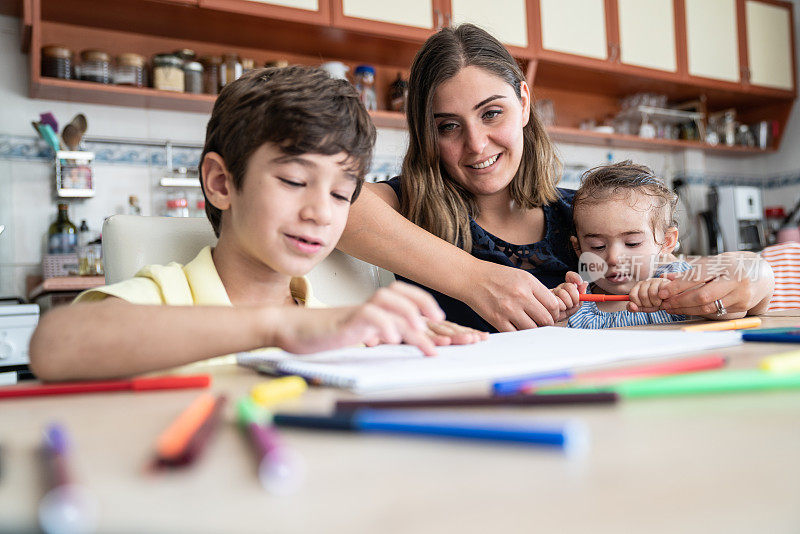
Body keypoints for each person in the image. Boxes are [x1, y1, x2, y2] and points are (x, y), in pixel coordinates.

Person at [29, 67, 486, 382]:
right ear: (222, 183)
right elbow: (53, 345)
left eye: (341, 193)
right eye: (292, 180)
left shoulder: (327, 321)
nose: (321, 213)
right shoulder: (169, 294)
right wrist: (275, 328)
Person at [337, 24, 774, 332]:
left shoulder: (585, 215)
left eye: (492, 113)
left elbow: (683, 277)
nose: (476, 144)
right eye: (448, 126)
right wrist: (474, 279)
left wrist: (756, 275)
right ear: (426, 132)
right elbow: (337, 202)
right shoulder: (410, 207)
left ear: (523, 102)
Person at [551, 161, 766, 328]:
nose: (614, 258)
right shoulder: (579, 305)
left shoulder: (680, 281)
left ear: (667, 242)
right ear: (579, 249)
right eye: (597, 246)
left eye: (632, 243)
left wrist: (678, 296)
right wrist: (557, 311)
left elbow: (733, 310)